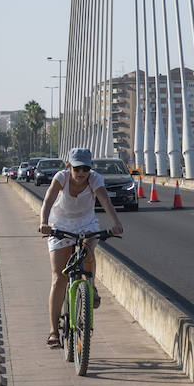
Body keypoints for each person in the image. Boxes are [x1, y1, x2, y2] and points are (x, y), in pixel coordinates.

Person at [36, 148, 123, 347]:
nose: (81, 173)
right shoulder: (61, 178)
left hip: (86, 223)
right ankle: (53, 331)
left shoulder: (95, 179)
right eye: (77, 168)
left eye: (85, 168)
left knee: (88, 249)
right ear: (69, 167)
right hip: (61, 224)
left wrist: (116, 223)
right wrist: (44, 222)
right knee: (59, 278)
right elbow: (48, 200)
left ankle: (90, 286)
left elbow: (105, 200)